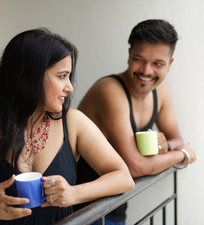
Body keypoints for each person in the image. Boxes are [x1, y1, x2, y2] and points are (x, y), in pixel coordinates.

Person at [0, 28, 134, 225]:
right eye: (61, 76)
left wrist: (73, 193)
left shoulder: (73, 123)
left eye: (69, 76)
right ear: (28, 77)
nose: (70, 87)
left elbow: (123, 177)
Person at [76, 19, 197, 224]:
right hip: (83, 210)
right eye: (139, 59)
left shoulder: (161, 91)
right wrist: (180, 155)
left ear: (170, 64)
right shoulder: (110, 90)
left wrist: (165, 146)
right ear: (129, 55)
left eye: (158, 63)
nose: (147, 71)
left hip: (114, 205)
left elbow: (176, 138)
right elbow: (136, 167)